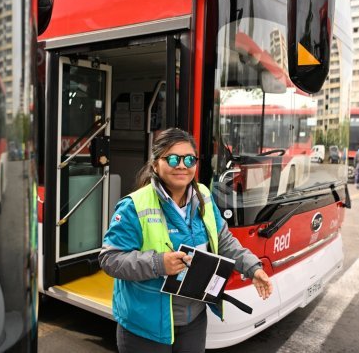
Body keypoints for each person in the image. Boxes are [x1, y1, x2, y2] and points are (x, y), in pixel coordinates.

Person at [99, 128, 273, 353]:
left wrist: (253, 268)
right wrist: (158, 263)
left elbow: (224, 241)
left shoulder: (204, 195)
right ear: (155, 165)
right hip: (146, 326)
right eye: (173, 158)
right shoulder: (134, 206)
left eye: (190, 159)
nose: (182, 165)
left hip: (194, 321)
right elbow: (110, 259)